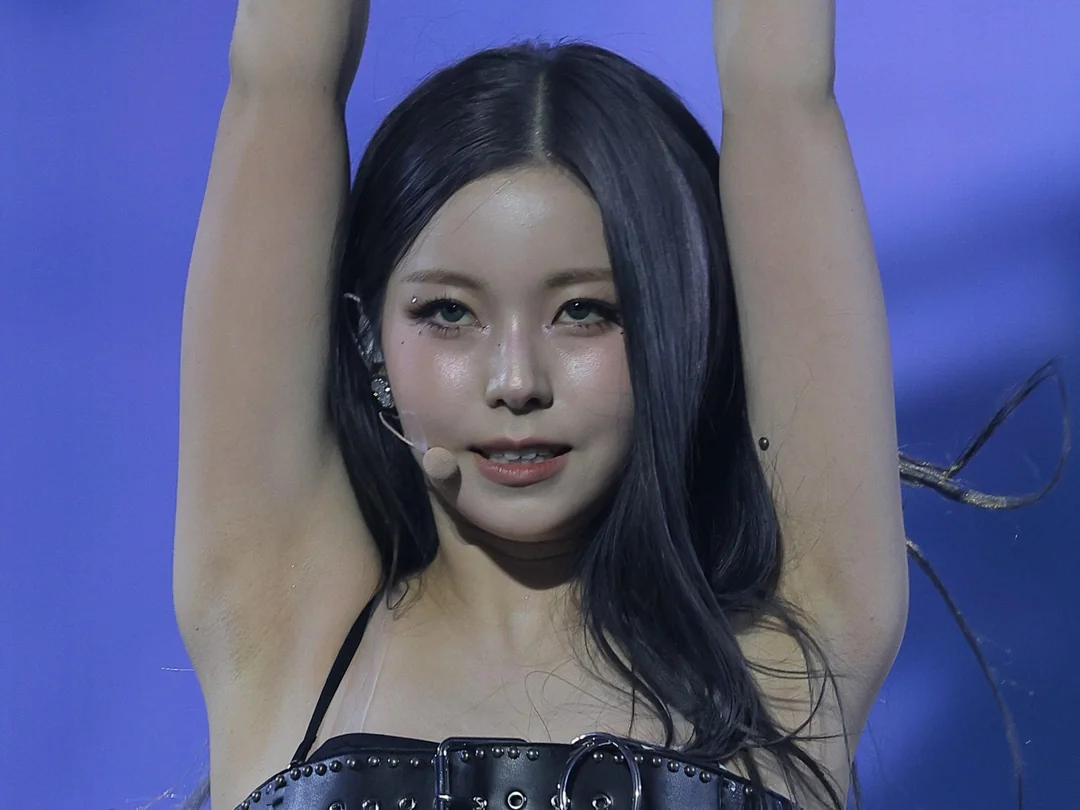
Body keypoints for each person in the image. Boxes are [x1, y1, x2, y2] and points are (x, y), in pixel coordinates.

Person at [173, 2, 1065, 809]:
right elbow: (279, 74)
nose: (515, 380)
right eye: (448, 313)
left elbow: (781, 87)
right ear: (368, 340)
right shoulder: (281, 618)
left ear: (678, 328)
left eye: (585, 312)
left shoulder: (792, 651)